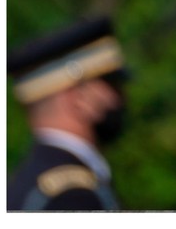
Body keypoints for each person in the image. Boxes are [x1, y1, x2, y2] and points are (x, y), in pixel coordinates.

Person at [7, 16, 129, 211]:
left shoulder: (28, 182)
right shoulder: (72, 196)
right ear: (77, 97)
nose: (118, 98)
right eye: (110, 85)